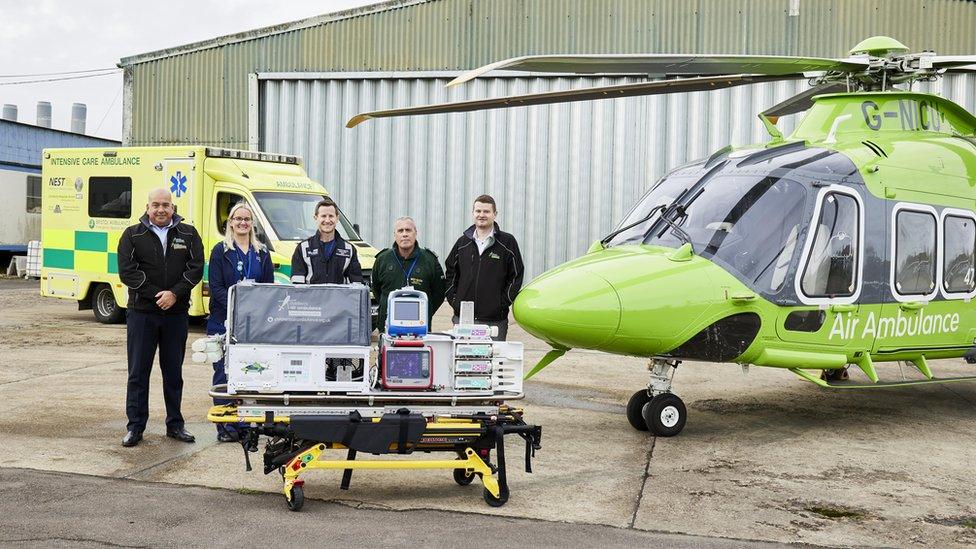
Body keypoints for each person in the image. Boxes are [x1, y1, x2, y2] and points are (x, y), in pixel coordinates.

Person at [116, 188, 204, 447]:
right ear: (147, 207)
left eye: (166, 204)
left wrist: (174, 295)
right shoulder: (133, 235)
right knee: (138, 374)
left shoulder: (188, 234)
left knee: (173, 373)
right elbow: (127, 272)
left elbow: (196, 267)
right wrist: (158, 295)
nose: (161, 209)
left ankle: (175, 425)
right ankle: (135, 427)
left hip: (175, 315)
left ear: (173, 208)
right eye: (156, 204)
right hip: (142, 315)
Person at [207, 202, 275, 442]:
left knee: (250, 374)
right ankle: (226, 428)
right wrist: (237, 309)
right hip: (222, 321)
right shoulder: (220, 251)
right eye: (238, 219)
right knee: (223, 374)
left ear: (252, 224)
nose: (243, 223)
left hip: (253, 324)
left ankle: (247, 426)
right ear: (231, 223)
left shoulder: (262, 252)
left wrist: (253, 313)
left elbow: (268, 289)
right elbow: (215, 287)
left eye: (247, 219)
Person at [445, 194, 524, 341]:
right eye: (478, 211)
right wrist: (455, 301)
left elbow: (516, 276)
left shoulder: (507, 243)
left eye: (486, 211)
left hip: (494, 322)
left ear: (495, 214)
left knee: (491, 363)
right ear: (473, 213)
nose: (481, 215)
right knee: (463, 362)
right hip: (463, 320)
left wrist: (501, 303)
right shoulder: (462, 243)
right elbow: (450, 272)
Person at [370, 216, 446, 332]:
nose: (404, 234)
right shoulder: (383, 259)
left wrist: (426, 311)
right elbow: (377, 290)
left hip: (419, 328)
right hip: (388, 327)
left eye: (408, 230)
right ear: (394, 235)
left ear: (415, 233)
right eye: (400, 231)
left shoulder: (429, 260)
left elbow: (439, 293)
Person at [290, 197, 363, 284]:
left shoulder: (349, 249)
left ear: (337, 218)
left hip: (338, 297)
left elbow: (356, 284)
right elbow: (297, 286)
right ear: (316, 218)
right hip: (312, 298)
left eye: (331, 216)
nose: (327, 220)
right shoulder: (303, 248)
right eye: (323, 216)